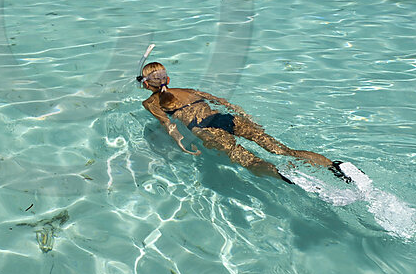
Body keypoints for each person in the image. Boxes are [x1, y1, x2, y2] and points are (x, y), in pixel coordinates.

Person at [137, 62, 350, 184]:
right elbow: (223, 102)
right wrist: (246, 117)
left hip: (206, 130)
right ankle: (334, 166)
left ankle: (283, 176)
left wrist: (182, 145)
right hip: (226, 119)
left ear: (147, 85)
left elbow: (169, 125)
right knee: (282, 149)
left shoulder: (150, 103)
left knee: (249, 161)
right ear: (168, 79)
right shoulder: (189, 90)